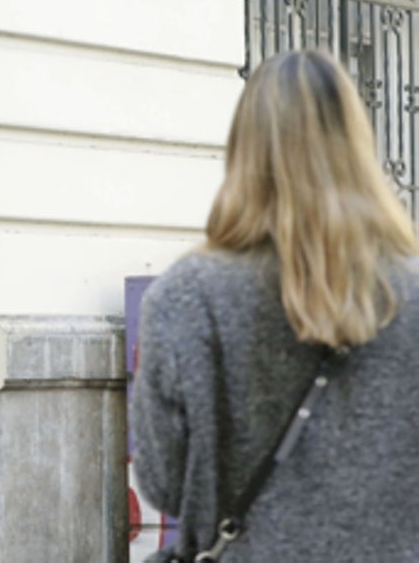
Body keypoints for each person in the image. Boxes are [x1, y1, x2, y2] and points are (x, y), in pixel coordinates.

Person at [132, 49, 419, 561]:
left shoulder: (187, 296)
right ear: (358, 146)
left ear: (244, 151)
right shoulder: (410, 291)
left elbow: (163, 483)